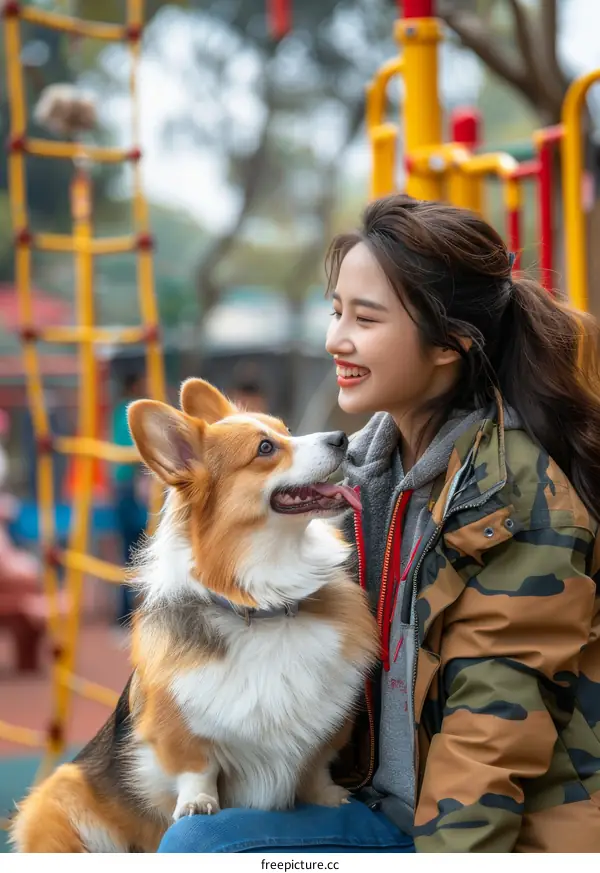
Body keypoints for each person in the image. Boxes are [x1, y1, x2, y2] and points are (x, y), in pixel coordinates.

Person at [159, 194, 600, 854]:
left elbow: (491, 744)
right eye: (337, 311)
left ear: (450, 342)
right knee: (185, 832)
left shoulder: (513, 501)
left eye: (365, 318)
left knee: (201, 851)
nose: (336, 338)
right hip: (377, 801)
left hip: (486, 835)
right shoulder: (365, 469)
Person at [111, 372, 148, 629]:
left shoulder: (118, 413)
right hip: (133, 490)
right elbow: (136, 453)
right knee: (139, 552)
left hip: (123, 487)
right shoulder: (133, 412)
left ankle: (126, 615)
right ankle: (131, 615)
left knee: (130, 554)